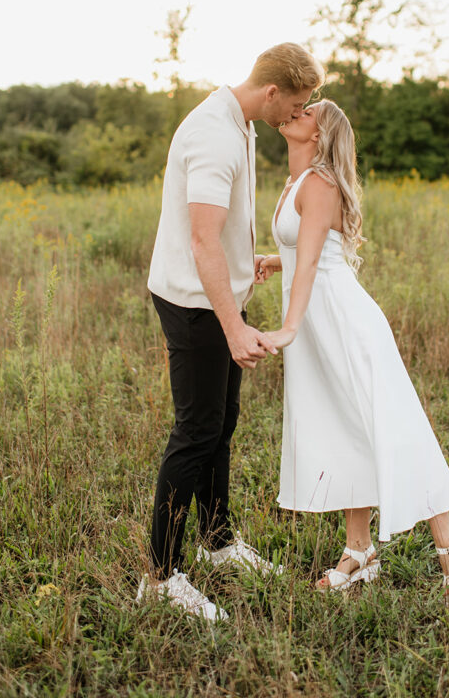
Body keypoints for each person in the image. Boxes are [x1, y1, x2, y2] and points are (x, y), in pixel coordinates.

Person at [258, 99, 449, 594]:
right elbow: (308, 250)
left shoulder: (319, 183)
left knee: (391, 426)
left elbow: (317, 265)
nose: (295, 112)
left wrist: (288, 327)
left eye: (306, 112)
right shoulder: (296, 183)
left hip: (343, 321)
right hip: (316, 322)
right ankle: (359, 550)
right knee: (342, 428)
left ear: (319, 135)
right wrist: (273, 262)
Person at [138, 43, 325, 620]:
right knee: (195, 432)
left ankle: (216, 542)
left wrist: (251, 272)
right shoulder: (216, 134)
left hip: (218, 297)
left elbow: (224, 235)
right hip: (195, 304)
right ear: (272, 91)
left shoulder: (238, 121)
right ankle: (162, 576)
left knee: (221, 426)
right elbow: (202, 240)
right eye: (295, 105)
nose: (296, 116)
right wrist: (233, 326)